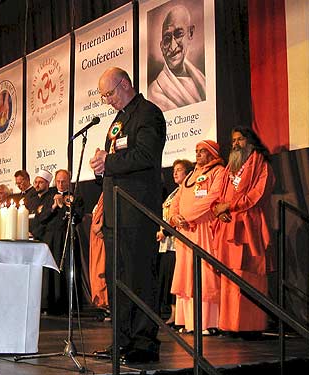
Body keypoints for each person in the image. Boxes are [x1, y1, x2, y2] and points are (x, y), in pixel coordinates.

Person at [89, 67, 166, 363]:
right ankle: (120, 340)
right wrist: (100, 167)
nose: (107, 100)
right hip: (115, 213)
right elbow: (116, 161)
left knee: (139, 277)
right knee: (117, 278)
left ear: (124, 84)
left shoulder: (148, 113)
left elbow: (146, 156)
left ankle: (144, 342)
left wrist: (110, 161)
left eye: (109, 93)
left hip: (137, 212)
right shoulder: (118, 120)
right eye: (103, 96)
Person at [212, 127, 275, 337]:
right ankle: (230, 326)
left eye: (240, 139)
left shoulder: (261, 164)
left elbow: (257, 195)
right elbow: (219, 197)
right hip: (228, 226)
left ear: (251, 142)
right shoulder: (231, 167)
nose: (235, 143)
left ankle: (250, 327)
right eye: (233, 140)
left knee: (248, 277)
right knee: (230, 279)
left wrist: (228, 206)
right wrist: (219, 211)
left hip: (249, 228)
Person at [169, 141, 224, 335]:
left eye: (202, 151)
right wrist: (176, 218)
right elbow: (176, 200)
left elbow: (214, 198)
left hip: (203, 229)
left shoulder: (218, 171)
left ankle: (208, 323)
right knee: (186, 277)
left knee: (204, 275)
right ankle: (189, 322)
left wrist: (189, 216)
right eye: (196, 151)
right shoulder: (191, 175)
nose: (198, 155)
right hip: (185, 232)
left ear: (212, 154)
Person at [34, 169, 84, 315]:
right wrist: (54, 207)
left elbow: (77, 217)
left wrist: (63, 206)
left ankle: (68, 305)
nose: (61, 184)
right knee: (50, 270)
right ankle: (48, 304)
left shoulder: (76, 197)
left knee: (67, 269)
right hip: (50, 238)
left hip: (66, 237)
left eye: (64, 181)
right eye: (58, 181)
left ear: (69, 181)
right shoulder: (49, 197)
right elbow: (41, 217)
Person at [156, 159, 193, 326]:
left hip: (176, 242)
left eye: (179, 170)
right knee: (168, 280)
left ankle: (178, 315)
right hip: (166, 245)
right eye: (174, 170)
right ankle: (174, 314)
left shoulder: (186, 191)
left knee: (175, 279)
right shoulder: (174, 193)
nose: (175, 173)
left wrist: (165, 231)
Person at [148, 5, 206, 112]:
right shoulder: (154, 92)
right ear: (161, 47)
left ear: (190, 33)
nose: (173, 46)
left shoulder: (201, 79)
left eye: (178, 34)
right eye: (167, 39)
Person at [89, 193, 109, 312]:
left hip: (101, 237)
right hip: (95, 239)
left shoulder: (109, 191)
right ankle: (102, 303)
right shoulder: (103, 194)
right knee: (96, 269)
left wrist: (101, 226)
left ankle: (106, 302)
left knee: (102, 270)